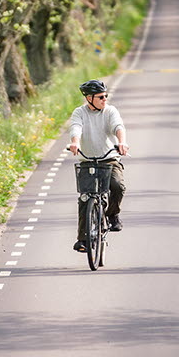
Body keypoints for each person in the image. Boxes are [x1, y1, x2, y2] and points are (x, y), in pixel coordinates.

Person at [68, 79, 129, 252]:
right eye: (101, 97)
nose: (104, 99)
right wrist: (75, 143)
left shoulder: (110, 111)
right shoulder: (79, 113)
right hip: (87, 161)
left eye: (105, 96)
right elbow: (76, 129)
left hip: (109, 159)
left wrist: (122, 142)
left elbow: (118, 126)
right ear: (89, 98)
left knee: (118, 186)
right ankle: (83, 240)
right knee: (85, 198)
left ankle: (112, 214)